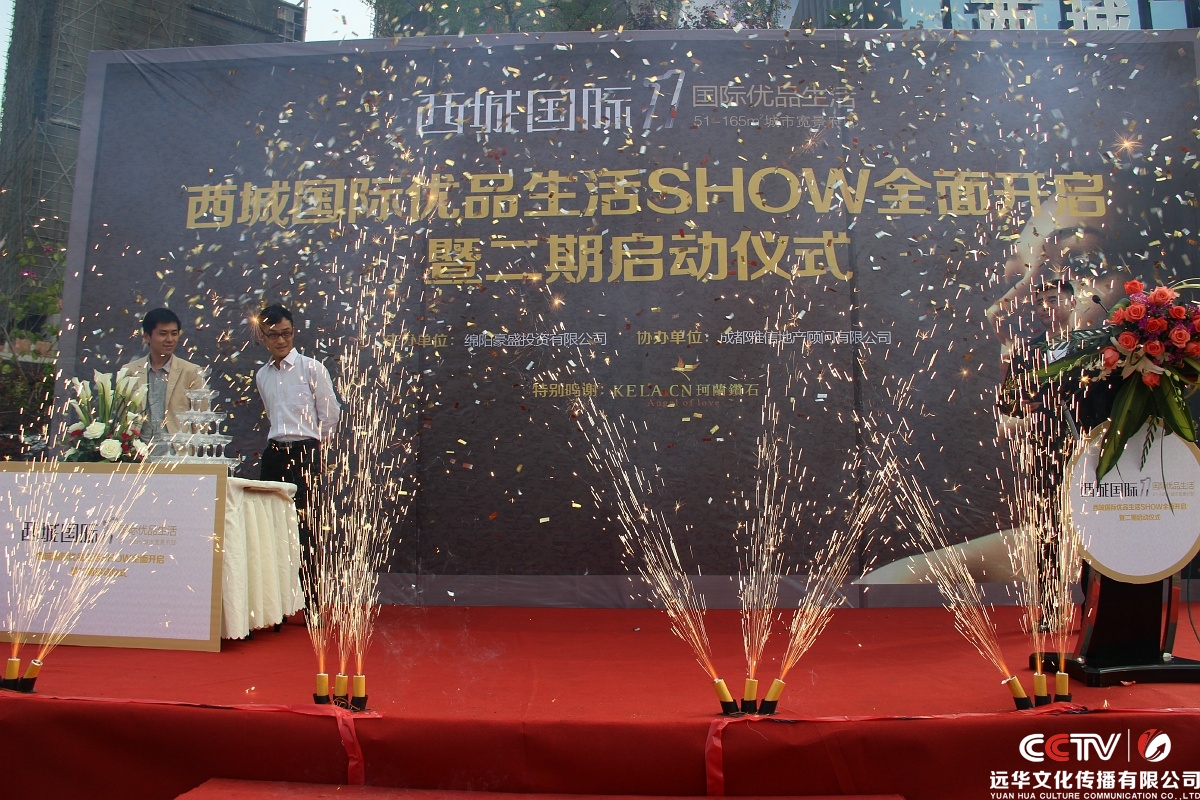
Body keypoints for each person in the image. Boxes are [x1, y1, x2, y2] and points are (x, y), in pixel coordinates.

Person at [255, 303, 340, 610]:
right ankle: (273, 604)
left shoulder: (311, 368)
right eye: (274, 335)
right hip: (274, 454)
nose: (281, 340)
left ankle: (312, 602)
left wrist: (313, 448)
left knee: (306, 528)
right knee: (270, 528)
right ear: (262, 337)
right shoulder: (262, 375)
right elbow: (271, 414)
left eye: (287, 333)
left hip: (305, 453)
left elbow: (330, 415)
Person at [120, 307, 208, 445]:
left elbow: (201, 420)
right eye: (163, 334)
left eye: (174, 334)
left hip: (178, 452)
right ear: (146, 336)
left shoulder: (191, 372)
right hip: (138, 451)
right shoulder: (129, 371)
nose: (170, 339)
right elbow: (120, 417)